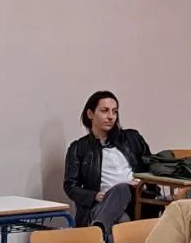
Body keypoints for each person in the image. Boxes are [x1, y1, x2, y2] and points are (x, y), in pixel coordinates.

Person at [62, 91, 151, 235]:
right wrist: (94, 196)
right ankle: (100, 229)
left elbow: (151, 166)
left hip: (136, 198)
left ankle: (97, 231)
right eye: (104, 111)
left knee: (123, 188)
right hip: (102, 203)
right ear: (90, 114)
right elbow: (70, 186)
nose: (111, 116)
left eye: (114, 112)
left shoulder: (132, 139)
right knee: (122, 220)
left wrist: (142, 182)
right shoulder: (79, 148)